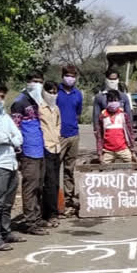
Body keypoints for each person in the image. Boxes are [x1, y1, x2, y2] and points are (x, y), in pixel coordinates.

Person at [0, 81, 25, 252]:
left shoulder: (3, 115)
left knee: (8, 202)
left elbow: (18, 136)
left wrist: (10, 138)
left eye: (2, 96)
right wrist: (10, 139)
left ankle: (6, 231)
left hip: (11, 162)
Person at [11, 70, 48, 235]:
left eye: (40, 81)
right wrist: (18, 153)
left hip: (40, 150)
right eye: (34, 81)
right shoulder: (19, 102)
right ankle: (30, 221)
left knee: (39, 186)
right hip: (28, 152)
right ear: (27, 82)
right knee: (30, 187)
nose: (37, 84)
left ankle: (37, 217)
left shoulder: (37, 101)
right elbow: (15, 128)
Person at [56, 64, 83, 216]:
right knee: (54, 169)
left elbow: (78, 113)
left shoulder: (77, 94)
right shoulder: (56, 92)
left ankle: (69, 198)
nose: (70, 78)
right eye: (68, 75)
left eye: (73, 76)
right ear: (63, 76)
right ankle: (54, 200)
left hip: (74, 134)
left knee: (69, 168)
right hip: (59, 136)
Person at [93, 69, 133, 151]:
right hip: (106, 133)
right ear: (106, 79)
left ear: (118, 80)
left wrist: (130, 131)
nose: (112, 81)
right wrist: (97, 132)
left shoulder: (124, 96)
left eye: (115, 79)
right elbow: (96, 116)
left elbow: (129, 115)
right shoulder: (99, 97)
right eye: (110, 79)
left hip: (121, 134)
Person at [40, 80, 62, 227]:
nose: (52, 95)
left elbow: (58, 124)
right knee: (49, 182)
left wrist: (58, 136)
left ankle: (53, 212)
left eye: (55, 92)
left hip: (56, 147)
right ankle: (49, 214)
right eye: (50, 92)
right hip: (45, 147)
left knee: (55, 183)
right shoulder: (40, 108)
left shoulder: (56, 109)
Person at [97, 89, 136, 164]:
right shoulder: (103, 117)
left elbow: (130, 133)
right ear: (107, 102)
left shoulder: (123, 115)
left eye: (115, 100)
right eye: (111, 101)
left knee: (132, 166)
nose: (113, 103)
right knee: (103, 169)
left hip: (123, 149)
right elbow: (99, 136)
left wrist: (133, 151)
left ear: (119, 102)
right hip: (108, 151)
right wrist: (99, 153)